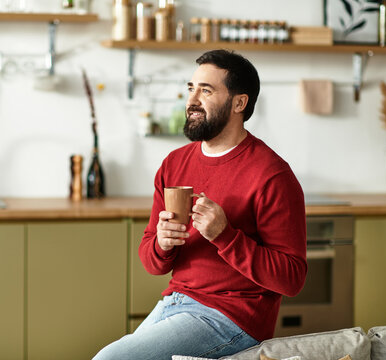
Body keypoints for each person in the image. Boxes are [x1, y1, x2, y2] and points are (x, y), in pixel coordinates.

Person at [93, 49, 307, 360]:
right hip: (176, 302)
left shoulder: (271, 175)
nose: (192, 100)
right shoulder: (174, 164)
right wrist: (163, 244)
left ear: (239, 103)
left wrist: (225, 236)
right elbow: (152, 262)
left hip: (233, 318)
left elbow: (292, 279)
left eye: (206, 90)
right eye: (191, 88)